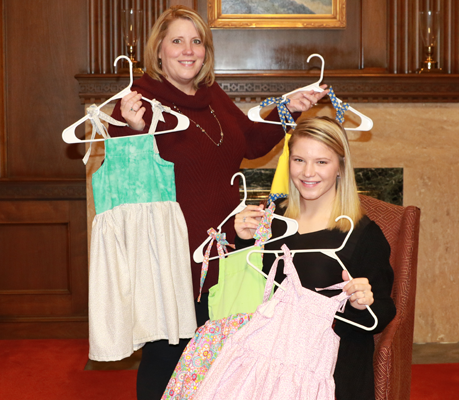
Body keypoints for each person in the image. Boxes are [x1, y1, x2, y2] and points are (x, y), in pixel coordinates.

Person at [106, 5, 328, 400]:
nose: (188, 50)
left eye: (197, 42)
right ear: (158, 50)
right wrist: (135, 130)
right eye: (177, 41)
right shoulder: (136, 102)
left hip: (226, 252)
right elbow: (125, 178)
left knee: (214, 358)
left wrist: (288, 109)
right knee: (167, 355)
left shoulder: (211, 98)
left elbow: (251, 142)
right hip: (174, 256)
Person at [233, 116, 397, 400]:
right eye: (299, 160)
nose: (308, 172)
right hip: (267, 362)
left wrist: (363, 302)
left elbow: (382, 313)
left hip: (331, 370)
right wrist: (242, 241)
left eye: (321, 162)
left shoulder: (363, 235)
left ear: (340, 167)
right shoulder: (273, 219)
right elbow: (250, 291)